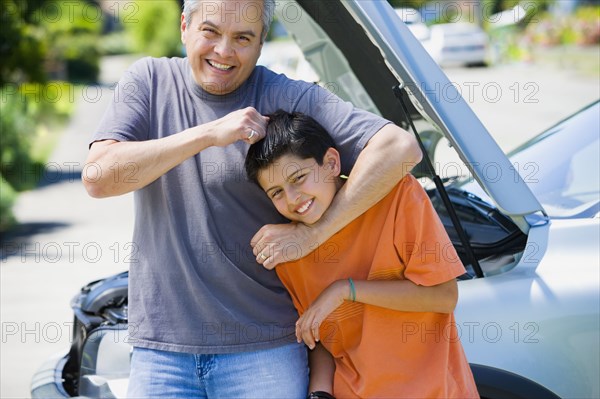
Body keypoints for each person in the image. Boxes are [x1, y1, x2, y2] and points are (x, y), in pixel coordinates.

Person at [83, 0, 421, 397]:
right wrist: (208, 133)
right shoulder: (148, 81)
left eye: (243, 38)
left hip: (266, 353)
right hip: (161, 352)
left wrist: (311, 235)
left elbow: (400, 149)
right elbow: (98, 177)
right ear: (184, 27)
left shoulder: (284, 94)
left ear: (261, 43)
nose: (224, 51)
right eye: (210, 32)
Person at [245, 110, 479, 399]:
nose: (293, 198)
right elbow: (316, 336)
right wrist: (320, 393)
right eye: (276, 192)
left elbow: (444, 296)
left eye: (299, 177)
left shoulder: (398, 195)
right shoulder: (288, 250)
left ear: (331, 163)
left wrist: (346, 290)